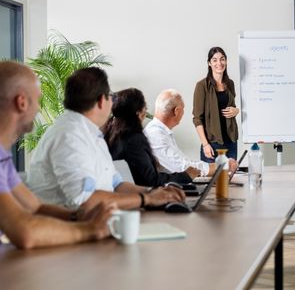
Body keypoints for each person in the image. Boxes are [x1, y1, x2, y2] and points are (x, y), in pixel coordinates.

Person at [27, 67, 185, 213]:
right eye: (110, 97)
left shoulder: (92, 134)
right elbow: (84, 202)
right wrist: (147, 199)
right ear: (102, 101)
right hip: (65, 231)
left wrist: (156, 193)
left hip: (94, 222)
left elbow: (116, 184)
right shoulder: (69, 136)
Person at [0, 61, 115, 249]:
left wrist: (77, 216)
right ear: (22, 102)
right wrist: (90, 229)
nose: (38, 108)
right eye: (37, 100)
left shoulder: (2, 157)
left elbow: (35, 207)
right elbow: (24, 232)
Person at [103, 88, 197, 187]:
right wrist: (186, 176)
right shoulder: (134, 139)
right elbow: (151, 181)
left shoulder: (110, 135)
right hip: (139, 196)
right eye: (145, 107)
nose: (146, 112)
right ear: (138, 113)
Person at [145, 89, 238, 177]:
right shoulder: (155, 134)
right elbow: (182, 168)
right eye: (183, 108)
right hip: (167, 189)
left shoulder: (161, 131)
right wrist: (220, 166)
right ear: (176, 111)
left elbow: (184, 161)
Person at [193, 47, 239, 161]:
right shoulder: (202, 86)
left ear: (226, 61)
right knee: (213, 178)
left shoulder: (230, 84)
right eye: (214, 60)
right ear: (209, 63)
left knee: (230, 178)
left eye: (222, 59)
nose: (219, 63)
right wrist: (205, 144)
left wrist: (236, 110)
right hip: (212, 143)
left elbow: (232, 107)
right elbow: (197, 118)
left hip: (231, 141)